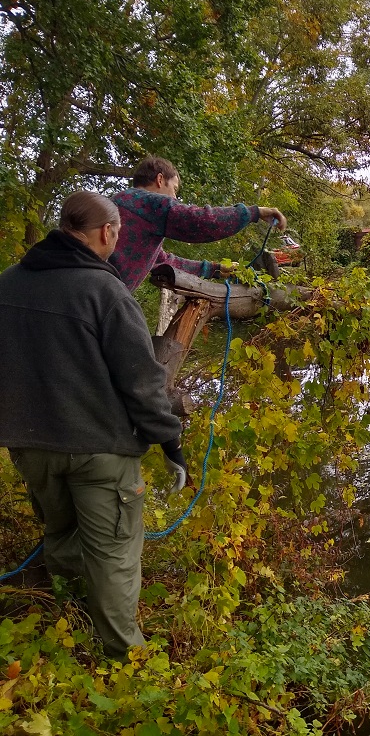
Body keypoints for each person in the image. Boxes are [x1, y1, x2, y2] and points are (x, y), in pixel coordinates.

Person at [0, 191, 186, 660]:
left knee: (61, 534)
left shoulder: (6, 285)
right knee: (115, 557)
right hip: (100, 450)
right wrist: (169, 441)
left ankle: (65, 616)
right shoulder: (106, 292)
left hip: (29, 447)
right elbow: (143, 382)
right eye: (118, 232)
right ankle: (126, 659)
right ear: (107, 233)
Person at [111, 156, 287, 292]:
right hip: (93, 297)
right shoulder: (145, 203)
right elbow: (201, 222)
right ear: (159, 179)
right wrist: (254, 212)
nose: (174, 198)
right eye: (174, 188)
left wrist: (215, 269)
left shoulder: (127, 204)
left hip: (95, 297)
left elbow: (164, 262)